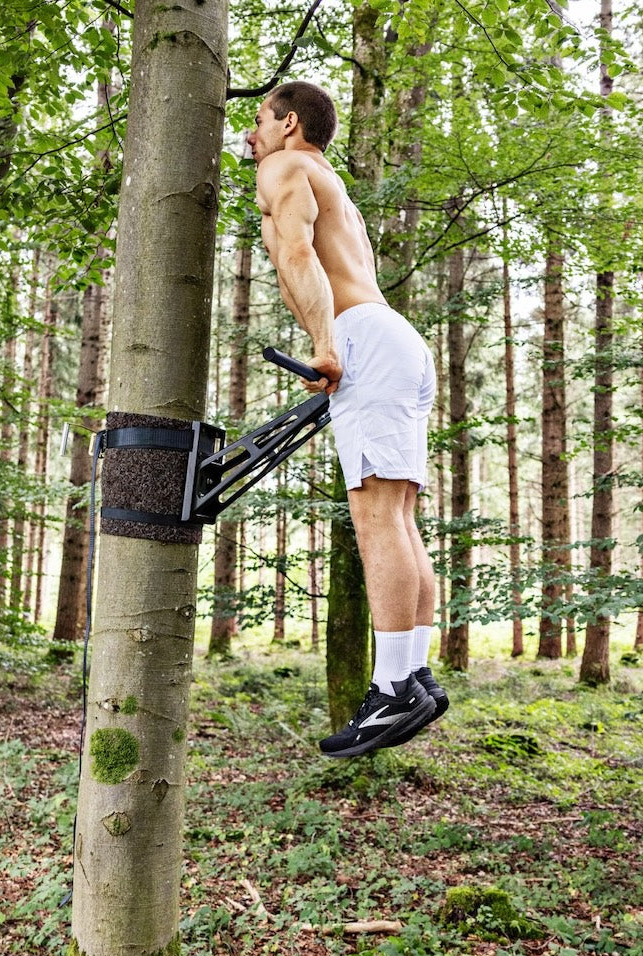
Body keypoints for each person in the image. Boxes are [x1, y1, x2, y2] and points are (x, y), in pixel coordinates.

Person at [246, 80, 448, 758]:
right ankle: (412, 674)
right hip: (397, 342)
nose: (250, 137)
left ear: (289, 124)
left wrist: (326, 345)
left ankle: (393, 692)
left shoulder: (286, 166)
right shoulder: (329, 180)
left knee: (377, 518)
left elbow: (300, 254)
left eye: (258, 121)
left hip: (364, 339)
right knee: (399, 517)